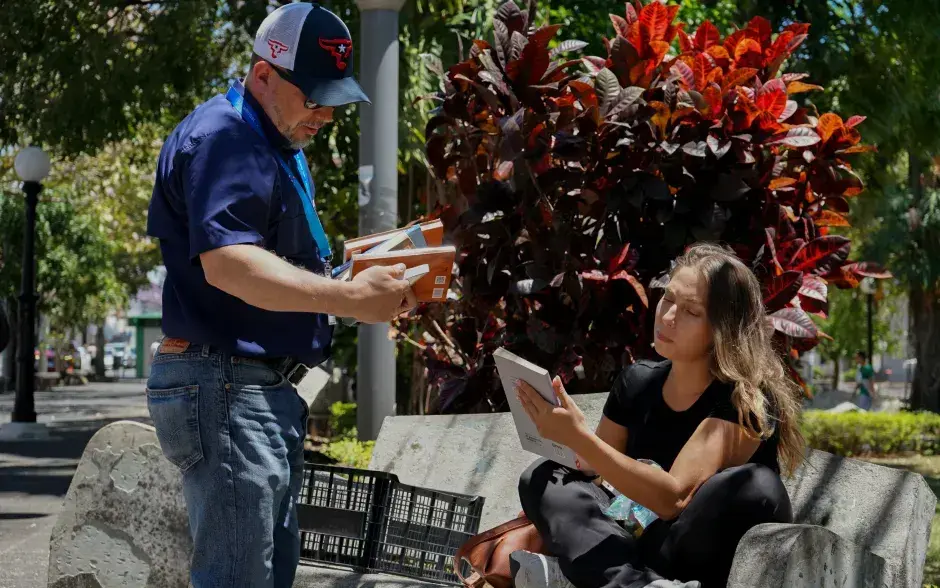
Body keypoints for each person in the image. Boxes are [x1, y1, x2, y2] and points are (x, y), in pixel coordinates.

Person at [145, 4, 417, 587]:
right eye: (314, 96)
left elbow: (274, 265)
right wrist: (348, 300)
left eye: (336, 99)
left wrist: (373, 287)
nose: (326, 114)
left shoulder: (273, 140)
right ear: (263, 73)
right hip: (227, 386)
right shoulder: (227, 136)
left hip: (252, 389)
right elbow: (229, 266)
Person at [515, 243, 803, 588]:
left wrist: (582, 439)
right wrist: (568, 440)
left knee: (756, 485)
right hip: (636, 545)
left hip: (693, 545)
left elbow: (673, 498)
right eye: (668, 299)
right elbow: (595, 473)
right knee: (543, 476)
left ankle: (590, 576)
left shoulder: (747, 398)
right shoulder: (638, 381)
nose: (667, 317)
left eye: (691, 312)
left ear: (722, 329)